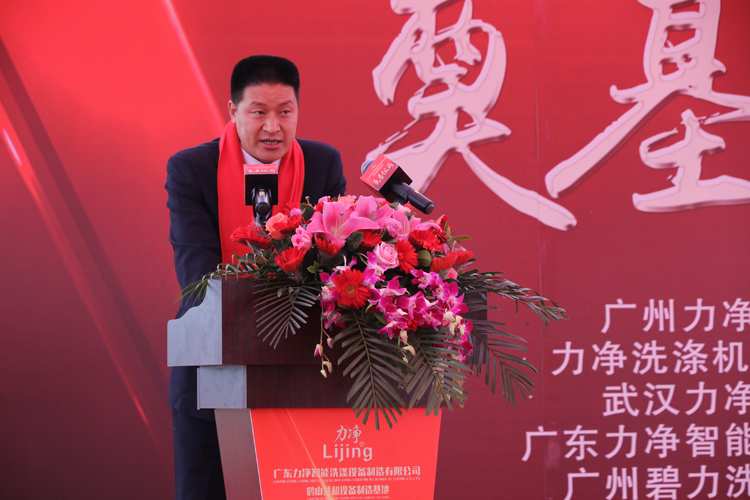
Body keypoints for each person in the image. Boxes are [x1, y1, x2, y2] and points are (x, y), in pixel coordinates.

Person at [165, 55, 346, 500]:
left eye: (285, 112)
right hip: (210, 376)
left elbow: (336, 264)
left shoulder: (322, 164)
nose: (272, 127)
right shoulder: (191, 169)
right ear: (233, 110)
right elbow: (197, 277)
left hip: (302, 380)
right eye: (258, 112)